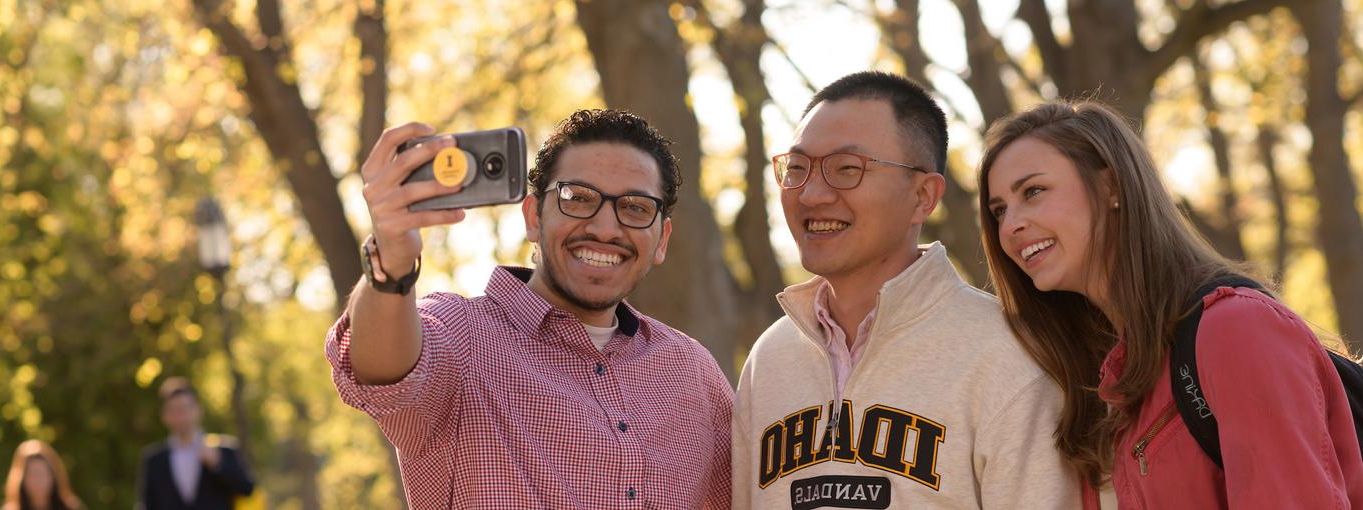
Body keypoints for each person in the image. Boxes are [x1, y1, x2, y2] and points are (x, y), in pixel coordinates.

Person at [326, 109, 732, 508]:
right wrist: (390, 264)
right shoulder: (460, 336)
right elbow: (380, 370)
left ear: (662, 239)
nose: (606, 229)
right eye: (578, 198)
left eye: (636, 207)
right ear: (534, 216)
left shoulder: (694, 371)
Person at [978, 100, 1363, 508]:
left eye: (1033, 192)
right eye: (999, 211)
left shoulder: (1235, 330)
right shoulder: (1098, 385)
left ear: (1111, 187)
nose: (1011, 226)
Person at [730, 70, 1079, 509]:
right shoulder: (770, 359)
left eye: (846, 169)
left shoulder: (1009, 355)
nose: (813, 194)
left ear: (923, 197)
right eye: (797, 169)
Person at [136, 377, 255, 510]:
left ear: (198, 410)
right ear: (164, 416)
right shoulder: (154, 460)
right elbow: (148, 505)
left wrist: (218, 465)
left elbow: (247, 490)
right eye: (173, 411)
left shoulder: (224, 449)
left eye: (183, 409)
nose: (180, 417)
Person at [1, 439, 83, 510]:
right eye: (33, 474)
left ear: (54, 475)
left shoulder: (71, 508)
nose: (38, 481)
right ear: (21, 478)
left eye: (43, 474)